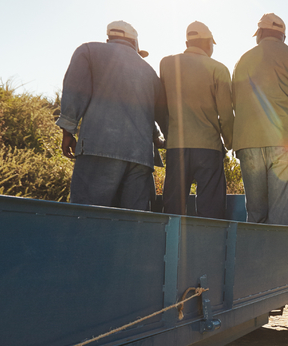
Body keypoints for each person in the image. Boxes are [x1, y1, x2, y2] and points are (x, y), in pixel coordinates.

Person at [57, 20, 167, 210]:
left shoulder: (88, 51)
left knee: (88, 217)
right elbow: (156, 113)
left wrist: (68, 131)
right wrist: (160, 138)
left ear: (109, 38)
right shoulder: (149, 71)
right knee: (134, 225)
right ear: (135, 42)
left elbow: (75, 92)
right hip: (140, 158)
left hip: (100, 147)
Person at [231, 13, 288, 225]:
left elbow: (235, 102)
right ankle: (277, 257)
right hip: (286, 144)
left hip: (248, 145)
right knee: (281, 218)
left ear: (260, 33)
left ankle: (253, 257)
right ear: (283, 36)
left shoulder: (243, 61)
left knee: (255, 215)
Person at [159, 21, 233, 219]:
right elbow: (226, 114)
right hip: (209, 147)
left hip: (176, 145)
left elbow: (161, 105)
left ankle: (172, 248)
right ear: (209, 43)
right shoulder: (219, 69)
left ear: (187, 42)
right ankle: (207, 247)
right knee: (211, 209)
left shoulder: (166, 63)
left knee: (173, 207)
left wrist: (169, 134)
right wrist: (230, 141)